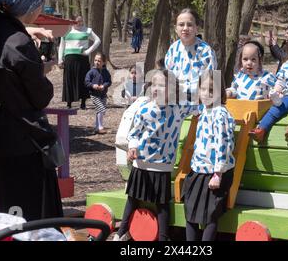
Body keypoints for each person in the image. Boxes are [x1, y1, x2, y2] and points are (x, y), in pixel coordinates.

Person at [0, 0, 63, 221]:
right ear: (30, 3)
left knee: (4, 215)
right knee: (28, 221)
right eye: (40, 2)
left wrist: (26, 30)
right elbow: (40, 96)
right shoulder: (18, 45)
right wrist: (43, 69)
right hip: (24, 145)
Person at [114, 70, 199, 241]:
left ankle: (163, 237)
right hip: (142, 162)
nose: (156, 88)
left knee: (162, 205)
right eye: (154, 84)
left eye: (162, 85)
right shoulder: (144, 110)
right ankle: (121, 233)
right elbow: (134, 133)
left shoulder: (178, 109)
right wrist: (132, 147)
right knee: (133, 199)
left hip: (163, 165)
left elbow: (199, 107)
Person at [182, 70, 235, 241]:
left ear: (220, 92)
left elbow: (223, 144)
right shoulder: (204, 110)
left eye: (211, 90)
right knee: (190, 211)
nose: (206, 94)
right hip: (198, 169)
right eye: (203, 89)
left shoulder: (220, 114)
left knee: (210, 215)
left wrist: (218, 174)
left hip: (215, 173)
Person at [165, 8, 217, 104]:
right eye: (181, 25)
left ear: (197, 28)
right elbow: (168, 75)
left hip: (197, 99)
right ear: (176, 28)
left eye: (189, 25)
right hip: (174, 97)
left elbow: (210, 80)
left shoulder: (205, 51)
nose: (185, 28)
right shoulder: (173, 49)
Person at [58, 16, 101, 109]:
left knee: (83, 80)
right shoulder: (66, 31)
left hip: (82, 59)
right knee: (69, 80)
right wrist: (60, 59)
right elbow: (61, 46)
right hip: (69, 59)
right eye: (77, 21)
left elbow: (97, 40)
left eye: (81, 21)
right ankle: (69, 103)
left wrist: (88, 51)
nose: (79, 23)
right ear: (72, 21)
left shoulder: (87, 30)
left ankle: (83, 103)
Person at [85, 53, 112, 135]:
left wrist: (104, 86)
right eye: (95, 60)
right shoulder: (91, 72)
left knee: (100, 111)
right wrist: (93, 85)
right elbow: (86, 82)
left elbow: (109, 81)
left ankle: (97, 127)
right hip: (94, 94)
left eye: (99, 61)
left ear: (104, 62)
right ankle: (100, 127)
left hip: (103, 94)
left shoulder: (106, 72)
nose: (97, 62)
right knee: (101, 109)